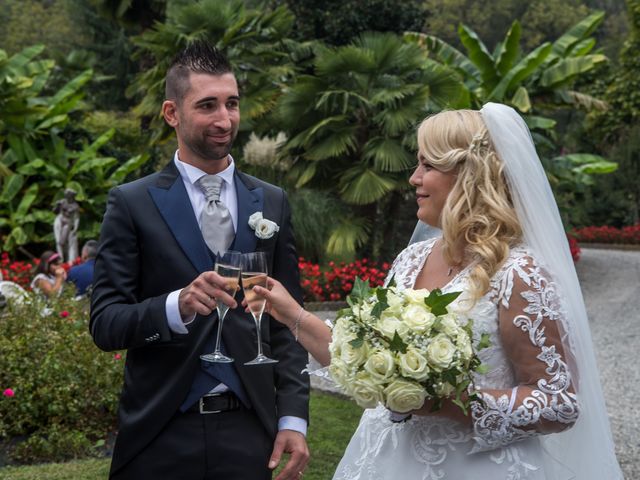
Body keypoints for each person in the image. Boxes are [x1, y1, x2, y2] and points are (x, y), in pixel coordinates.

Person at [252, 104, 623, 479]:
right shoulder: (411, 259)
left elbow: (558, 403)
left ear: (470, 175)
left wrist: (448, 402)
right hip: (385, 458)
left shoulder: (518, 273)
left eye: (428, 166)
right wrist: (290, 313)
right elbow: (358, 361)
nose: (414, 178)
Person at [90, 41, 310, 480]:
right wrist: (176, 305)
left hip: (251, 432)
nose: (224, 119)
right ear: (172, 113)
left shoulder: (271, 200)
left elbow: (289, 323)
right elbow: (106, 323)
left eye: (232, 104)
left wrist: (292, 419)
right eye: (207, 105)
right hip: (161, 430)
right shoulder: (132, 203)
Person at [53, 188, 80, 262]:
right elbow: (55, 211)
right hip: (59, 219)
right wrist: (57, 206)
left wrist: (75, 228)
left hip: (68, 223)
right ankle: (60, 259)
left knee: (63, 241)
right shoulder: (62, 202)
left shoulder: (75, 206)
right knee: (58, 241)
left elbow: (76, 218)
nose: (67, 196)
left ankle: (69, 259)